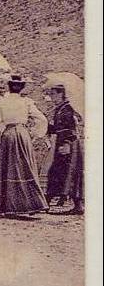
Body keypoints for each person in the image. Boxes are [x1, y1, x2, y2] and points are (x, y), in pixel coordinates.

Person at [0, 74, 49, 215]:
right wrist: (35, 133)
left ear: (9, 86)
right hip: (22, 134)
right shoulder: (26, 102)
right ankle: (30, 204)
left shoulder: (1, 101)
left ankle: (8, 206)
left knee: (10, 168)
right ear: (21, 88)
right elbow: (42, 119)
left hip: (8, 134)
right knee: (25, 167)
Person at [45, 84, 84, 215]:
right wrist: (49, 126)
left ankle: (76, 205)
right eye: (51, 95)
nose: (52, 97)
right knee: (60, 172)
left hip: (69, 144)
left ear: (61, 94)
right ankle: (49, 201)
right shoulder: (60, 109)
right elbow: (57, 128)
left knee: (69, 172)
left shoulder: (67, 109)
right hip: (62, 142)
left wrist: (66, 144)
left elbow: (70, 129)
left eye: (54, 94)